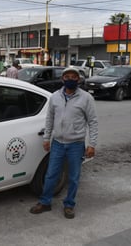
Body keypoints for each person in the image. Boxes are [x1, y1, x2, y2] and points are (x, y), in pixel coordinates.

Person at [30, 67, 98, 219]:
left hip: (76, 144)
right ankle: (45, 202)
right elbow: (49, 119)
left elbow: (93, 122)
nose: (70, 79)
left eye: (74, 77)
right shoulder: (55, 97)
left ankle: (69, 205)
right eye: (67, 76)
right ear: (62, 79)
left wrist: (92, 144)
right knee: (51, 175)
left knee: (73, 177)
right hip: (58, 143)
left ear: (78, 80)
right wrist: (47, 138)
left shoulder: (86, 98)